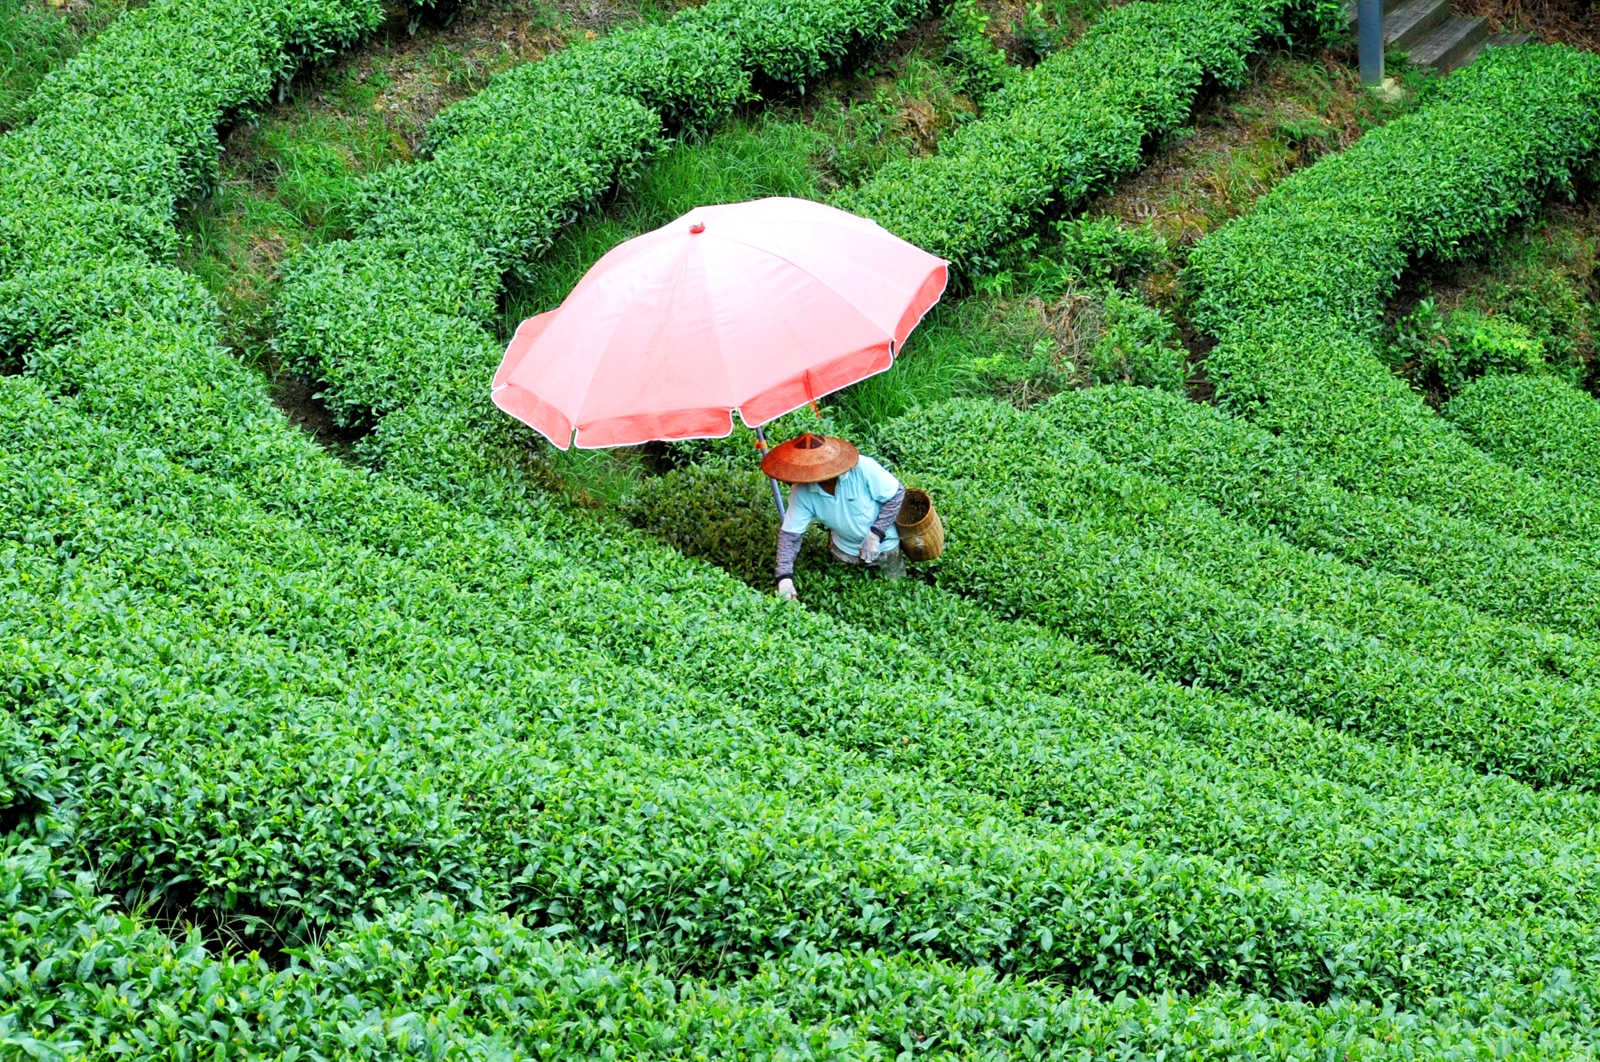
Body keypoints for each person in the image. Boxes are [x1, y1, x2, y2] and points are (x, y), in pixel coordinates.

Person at [762, 432, 905, 601]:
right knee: (848, 599)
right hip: (843, 551)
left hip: (885, 548)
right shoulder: (802, 492)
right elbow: (790, 536)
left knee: (895, 595)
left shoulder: (864, 468)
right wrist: (784, 577)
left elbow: (896, 495)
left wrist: (876, 534)